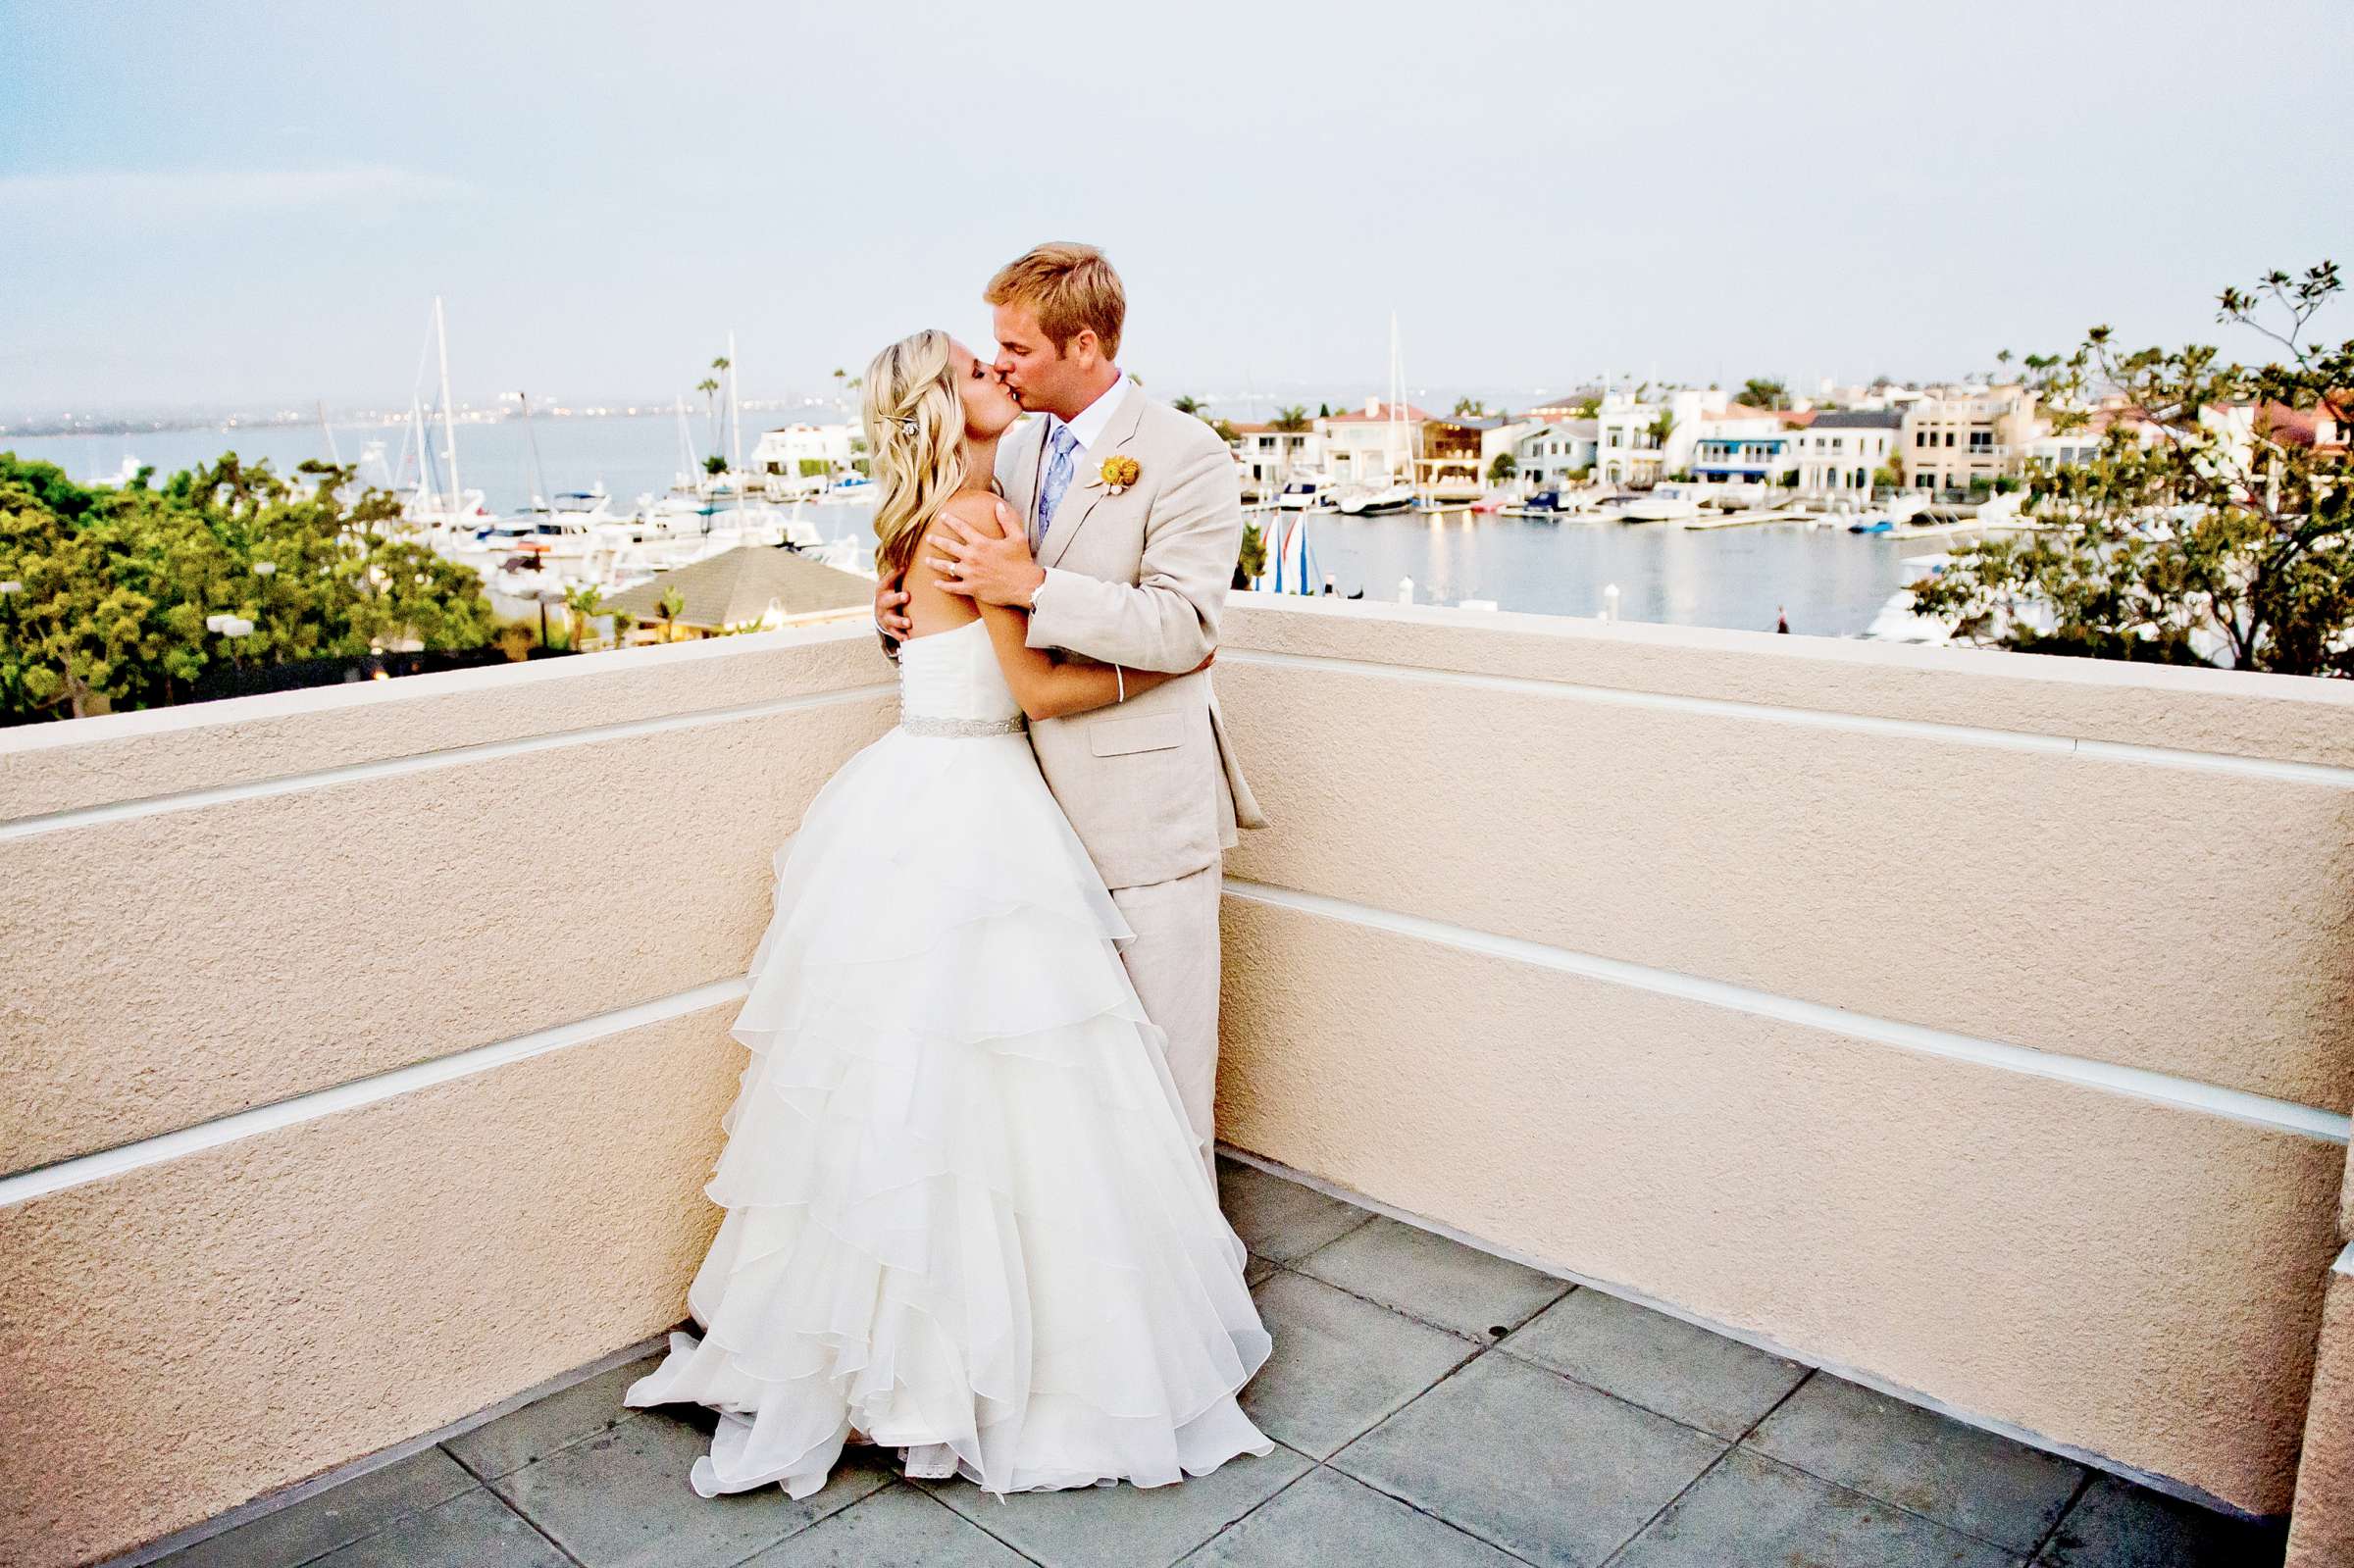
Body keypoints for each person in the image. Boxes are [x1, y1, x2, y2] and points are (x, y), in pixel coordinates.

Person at [624, 329, 1275, 1501]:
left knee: (902, 1088)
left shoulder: (926, 517)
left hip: (912, 790)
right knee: (1009, 1075)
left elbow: (926, 645)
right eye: (981, 371)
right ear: (944, 405)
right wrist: (1173, 664)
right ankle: (988, 1361)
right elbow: (1034, 687)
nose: (1003, 378)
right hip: (979, 794)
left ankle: (880, 1351)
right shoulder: (982, 518)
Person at [875, 242, 1263, 1188]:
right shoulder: (1011, 444)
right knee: (1071, 1083)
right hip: (1022, 823)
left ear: (1083, 344)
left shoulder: (1185, 454)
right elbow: (955, 574)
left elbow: (1187, 621)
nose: (999, 363)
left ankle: (1184, 1298)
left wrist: (1035, 584)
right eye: (992, 351)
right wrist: (893, 612)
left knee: (1163, 1067)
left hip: (1143, 813)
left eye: (1014, 347)